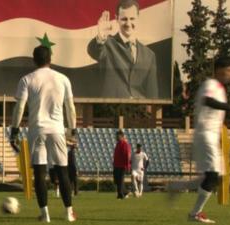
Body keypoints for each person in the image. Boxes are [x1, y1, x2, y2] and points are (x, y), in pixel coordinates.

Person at [9, 45, 77, 222]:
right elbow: (70, 107)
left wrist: (14, 130)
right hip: (57, 129)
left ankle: (44, 213)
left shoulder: (26, 79)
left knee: (39, 172)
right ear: (50, 59)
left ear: (34, 60)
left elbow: (20, 107)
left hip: (37, 129)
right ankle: (68, 212)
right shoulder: (63, 79)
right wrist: (72, 129)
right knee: (62, 171)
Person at [188, 56, 230, 223]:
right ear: (220, 70)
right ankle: (194, 213)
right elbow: (208, 100)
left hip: (211, 135)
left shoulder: (220, 88)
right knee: (213, 175)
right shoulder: (211, 84)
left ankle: (190, 205)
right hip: (206, 134)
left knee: (214, 175)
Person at [87, 0, 158, 99]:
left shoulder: (149, 55)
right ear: (117, 19)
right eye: (124, 19)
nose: (128, 23)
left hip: (139, 112)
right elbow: (94, 51)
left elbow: (153, 96)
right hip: (112, 110)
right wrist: (101, 36)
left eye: (132, 18)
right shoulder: (107, 43)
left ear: (138, 18)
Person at [113, 130, 131, 199]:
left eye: (118, 136)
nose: (116, 137)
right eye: (116, 136)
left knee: (120, 180)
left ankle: (120, 195)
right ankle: (125, 192)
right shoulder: (117, 144)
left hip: (122, 165)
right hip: (116, 165)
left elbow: (127, 155)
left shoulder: (125, 144)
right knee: (117, 181)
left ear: (122, 136)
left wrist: (128, 166)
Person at [67, 130, 79, 196]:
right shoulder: (71, 152)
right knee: (73, 179)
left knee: (73, 179)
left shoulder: (72, 152)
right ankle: (74, 192)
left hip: (72, 165)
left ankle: (73, 192)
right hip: (71, 165)